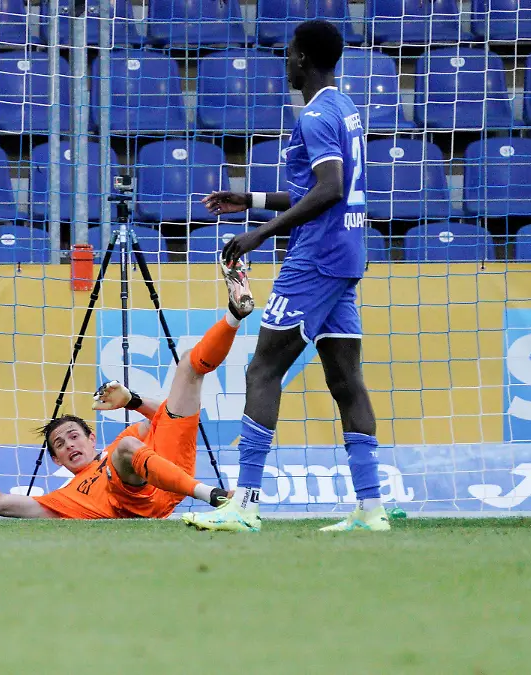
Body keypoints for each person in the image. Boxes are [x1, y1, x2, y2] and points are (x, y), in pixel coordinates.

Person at [186, 19, 387, 533]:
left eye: (290, 54)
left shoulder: (316, 115)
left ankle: (245, 503)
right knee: (345, 379)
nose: (286, 61)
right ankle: (371, 507)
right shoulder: (345, 108)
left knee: (262, 371)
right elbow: (319, 189)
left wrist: (259, 234)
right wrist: (249, 201)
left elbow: (330, 187)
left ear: (302, 58)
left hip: (314, 260)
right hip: (345, 257)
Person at [0, 263, 255, 518]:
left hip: (172, 473)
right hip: (143, 499)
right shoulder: (65, 499)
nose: (69, 445)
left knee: (188, 367)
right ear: (55, 460)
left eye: (73, 436)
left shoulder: (113, 447)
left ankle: (235, 314)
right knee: (127, 446)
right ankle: (217, 496)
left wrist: (134, 401)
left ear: (90, 438)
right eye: (60, 444)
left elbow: (167, 420)